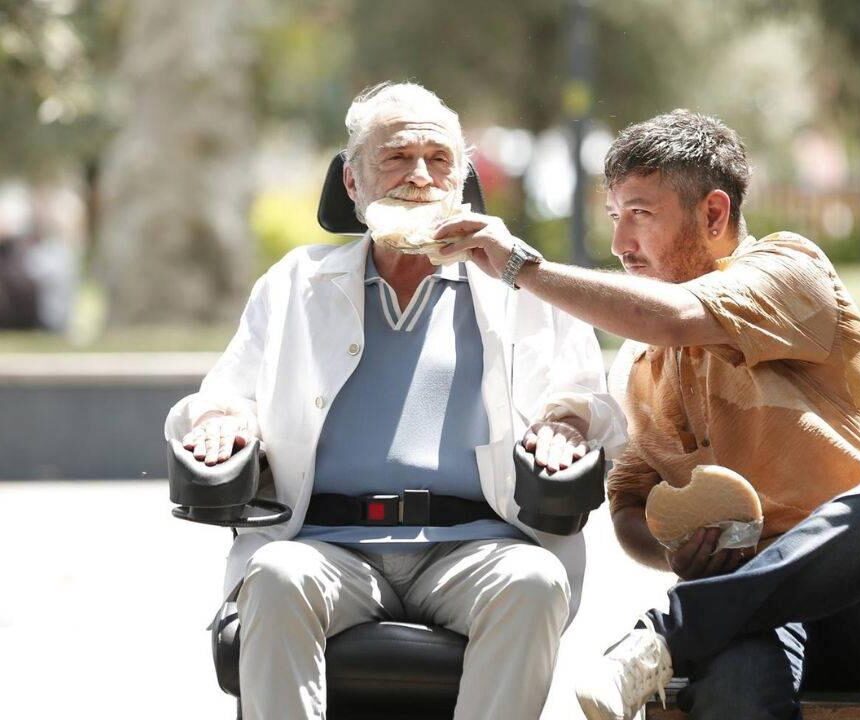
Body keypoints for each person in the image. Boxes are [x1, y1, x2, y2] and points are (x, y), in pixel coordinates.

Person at [432, 109, 860, 720]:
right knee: (735, 685)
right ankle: (675, 633)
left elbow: (675, 315)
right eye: (613, 217)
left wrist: (519, 266)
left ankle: (664, 632)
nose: (619, 244)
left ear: (713, 213)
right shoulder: (636, 365)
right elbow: (629, 507)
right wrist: (676, 556)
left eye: (640, 214)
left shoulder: (790, 270)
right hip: (748, 612)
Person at [163, 82, 625, 720]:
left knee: (535, 581)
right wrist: (222, 421)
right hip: (329, 544)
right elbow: (227, 394)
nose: (419, 177)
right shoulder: (297, 282)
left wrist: (567, 424)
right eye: (396, 158)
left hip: (477, 544)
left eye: (439, 161)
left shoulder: (524, 285)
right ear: (352, 183)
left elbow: (585, 399)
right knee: (274, 575)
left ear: (462, 180)